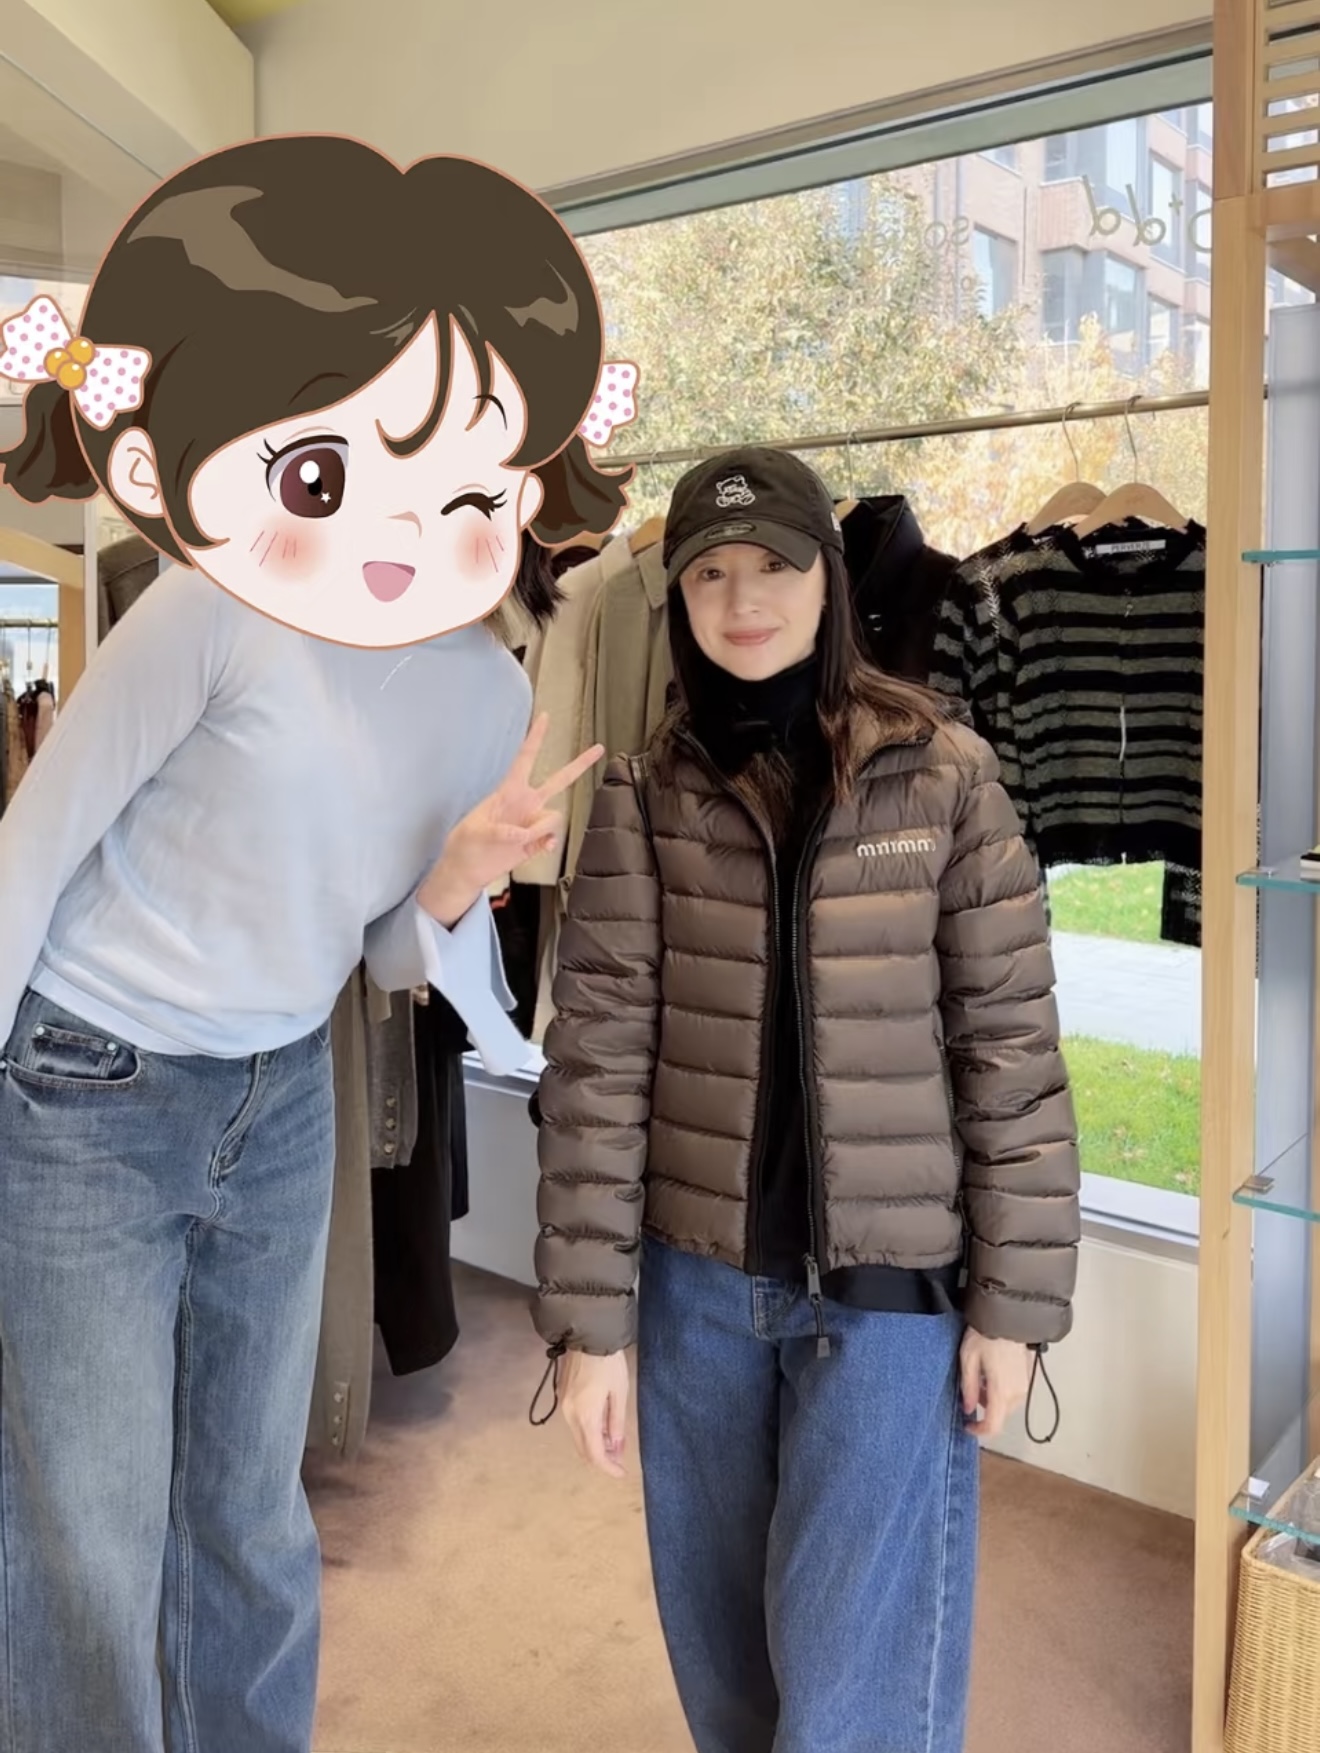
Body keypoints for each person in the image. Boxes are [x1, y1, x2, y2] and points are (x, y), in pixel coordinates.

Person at [0, 137, 630, 1753]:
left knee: (251, 1508)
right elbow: (33, 844)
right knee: (86, 1528)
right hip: (84, 1084)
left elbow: (387, 956)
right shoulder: (220, 603)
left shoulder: (487, 695)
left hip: (280, 1088)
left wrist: (455, 880)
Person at [532, 447, 1081, 1753]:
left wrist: (1013, 1310)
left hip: (888, 1304)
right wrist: (589, 1328)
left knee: (853, 1696)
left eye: (773, 564)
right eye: (709, 573)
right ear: (676, 598)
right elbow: (596, 1067)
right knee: (728, 1673)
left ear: (828, 580)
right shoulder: (642, 796)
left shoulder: (947, 778)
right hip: (698, 1293)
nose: (743, 598)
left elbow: (1011, 1054)